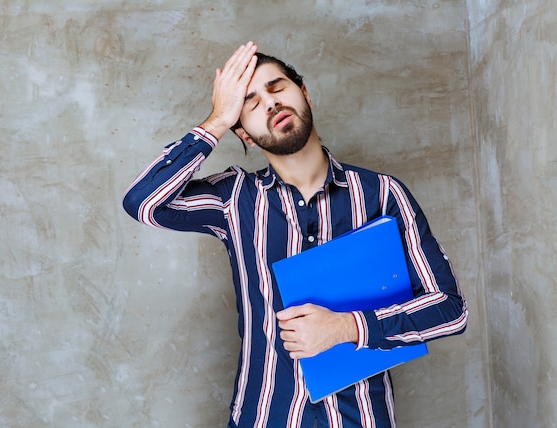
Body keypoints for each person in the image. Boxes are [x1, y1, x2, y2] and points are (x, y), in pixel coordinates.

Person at [122, 41, 468, 428]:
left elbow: (451, 311)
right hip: (264, 416)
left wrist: (347, 327)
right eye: (249, 103)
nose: (269, 104)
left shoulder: (383, 194)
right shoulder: (234, 200)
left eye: (277, 87)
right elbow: (142, 201)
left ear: (305, 95)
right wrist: (217, 120)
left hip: (362, 419)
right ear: (246, 136)